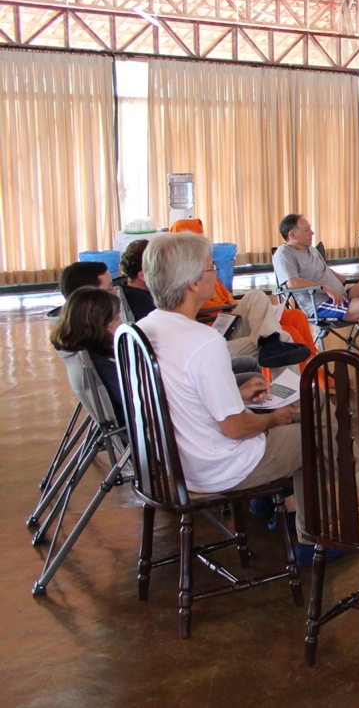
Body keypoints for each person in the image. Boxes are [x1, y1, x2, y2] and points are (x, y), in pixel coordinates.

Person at [133, 232, 328, 565]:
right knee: (312, 421)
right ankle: (313, 538)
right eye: (211, 268)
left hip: (174, 464)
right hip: (216, 469)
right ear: (193, 283)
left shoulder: (143, 328)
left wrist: (236, 393)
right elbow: (236, 428)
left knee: (305, 406)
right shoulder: (202, 341)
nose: (218, 274)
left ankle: (271, 500)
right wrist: (273, 418)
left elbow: (180, 396)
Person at [122, 238, 309, 370]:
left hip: (215, 327)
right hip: (204, 341)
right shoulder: (149, 303)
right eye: (211, 268)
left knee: (256, 296)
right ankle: (287, 404)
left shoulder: (146, 297)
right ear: (142, 276)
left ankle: (269, 342)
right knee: (284, 337)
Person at [273, 214, 359, 376]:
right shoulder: (283, 254)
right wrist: (325, 287)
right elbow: (291, 283)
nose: (312, 233)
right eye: (307, 230)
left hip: (341, 294)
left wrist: (337, 276)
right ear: (292, 234)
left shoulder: (312, 250)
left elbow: (322, 269)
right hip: (321, 303)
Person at [50, 286, 125, 417]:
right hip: (147, 429)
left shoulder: (84, 355)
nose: (122, 322)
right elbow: (136, 401)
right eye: (117, 317)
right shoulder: (101, 364)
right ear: (104, 326)